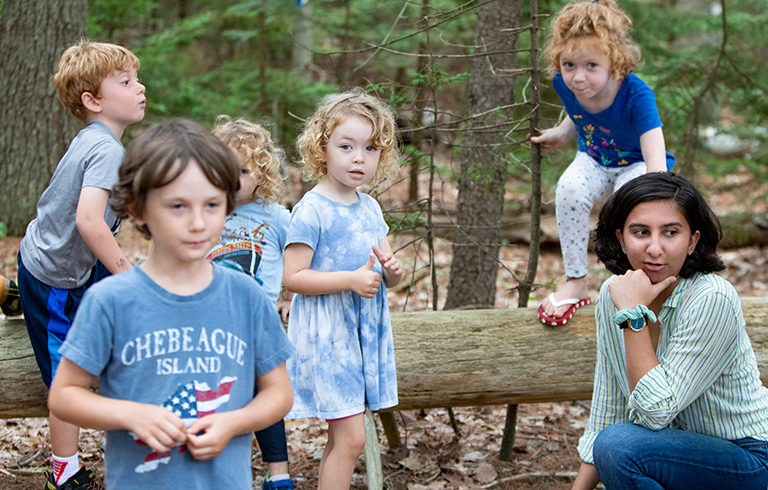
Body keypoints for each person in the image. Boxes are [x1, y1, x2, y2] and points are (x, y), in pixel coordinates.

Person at [48, 119, 295, 489]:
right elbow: (64, 396)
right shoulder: (111, 300)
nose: (198, 223)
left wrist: (233, 422)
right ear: (137, 209)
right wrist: (130, 414)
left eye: (212, 204)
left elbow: (279, 394)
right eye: (178, 206)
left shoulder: (246, 297)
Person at [572, 172, 768, 489]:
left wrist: (633, 317)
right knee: (615, 443)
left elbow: (655, 413)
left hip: (750, 459)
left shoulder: (711, 298)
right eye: (641, 232)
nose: (654, 248)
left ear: (693, 240)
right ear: (621, 239)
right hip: (675, 456)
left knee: (621, 447)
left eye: (670, 232)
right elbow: (609, 410)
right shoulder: (614, 294)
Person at [16, 40, 145, 489]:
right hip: (56, 275)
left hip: (66, 260)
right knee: (64, 379)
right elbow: (90, 221)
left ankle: (15, 293)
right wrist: (126, 271)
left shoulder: (98, 140)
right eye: (126, 82)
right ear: (93, 101)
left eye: (137, 78)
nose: (140, 88)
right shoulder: (105, 148)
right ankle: (63, 472)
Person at [283, 89, 403, 490]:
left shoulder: (370, 207)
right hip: (328, 335)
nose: (358, 158)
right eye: (346, 146)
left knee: (342, 437)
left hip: (364, 332)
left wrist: (393, 270)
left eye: (370, 148)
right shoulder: (312, 209)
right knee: (352, 438)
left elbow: (386, 271)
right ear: (322, 150)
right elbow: (294, 277)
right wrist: (350, 280)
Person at [530, 0, 675, 327]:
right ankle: (576, 281)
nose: (578, 78)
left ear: (615, 61)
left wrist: (654, 195)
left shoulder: (637, 94)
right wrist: (563, 133)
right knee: (568, 189)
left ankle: (634, 281)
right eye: (569, 64)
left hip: (638, 164)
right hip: (594, 159)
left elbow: (654, 153)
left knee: (630, 204)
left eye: (591, 66)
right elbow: (578, 114)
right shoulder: (563, 82)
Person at [205, 116, 295, 489]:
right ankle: (221, 470)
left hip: (258, 323)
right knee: (219, 395)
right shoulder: (207, 209)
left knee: (266, 393)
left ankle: (279, 475)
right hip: (209, 320)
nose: (234, 179)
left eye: (242, 171)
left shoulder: (276, 217)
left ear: (262, 172)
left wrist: (291, 295)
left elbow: (300, 257)